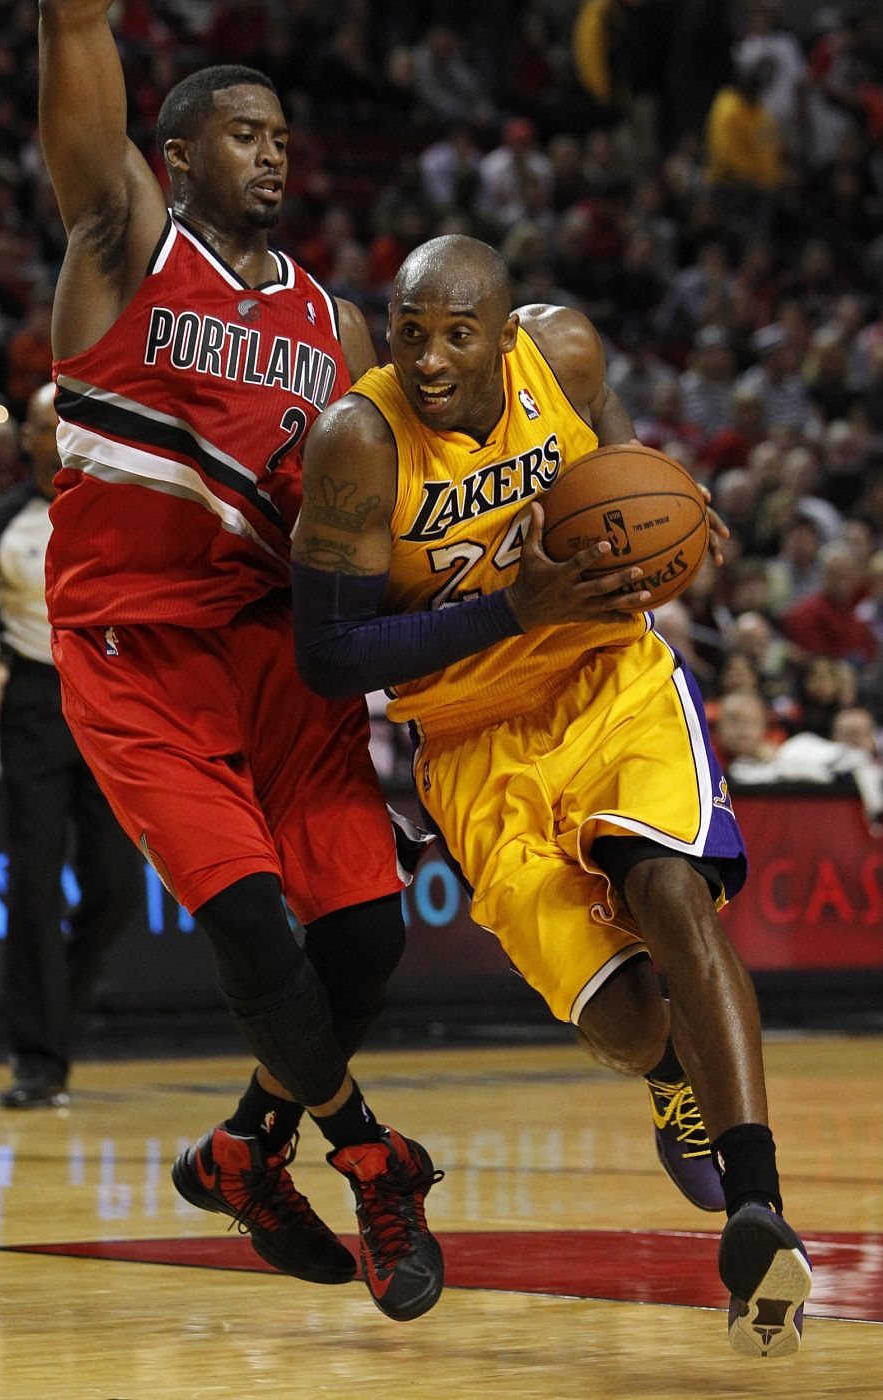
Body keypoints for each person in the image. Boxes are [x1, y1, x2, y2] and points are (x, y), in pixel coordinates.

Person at [290, 234, 813, 1359]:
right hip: (470, 735)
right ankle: (670, 1075)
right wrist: (510, 611)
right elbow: (328, 656)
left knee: (673, 898)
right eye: (410, 333)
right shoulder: (360, 443)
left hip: (605, 674)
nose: (430, 358)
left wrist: (668, 510)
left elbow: (615, 456)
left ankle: (760, 1207)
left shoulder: (564, 352)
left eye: (456, 335)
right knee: (623, 1020)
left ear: (503, 335)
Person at [38, 2, 442, 1322]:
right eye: (243, 133)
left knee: (368, 933)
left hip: (280, 646)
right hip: (138, 645)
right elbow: (75, 60)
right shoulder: (125, 243)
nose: (273, 153)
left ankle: (241, 1153)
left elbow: (385, 524)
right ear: (178, 153)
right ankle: (372, 1155)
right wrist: (72, 21)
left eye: (280, 135)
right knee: (253, 924)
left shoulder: (338, 327)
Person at [0, 384, 144, 1106]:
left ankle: (56, 1014)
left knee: (117, 882)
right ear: (25, 439)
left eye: (65, 423)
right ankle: (38, 1060)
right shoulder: (2, 523)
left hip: (109, 696)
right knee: (35, 880)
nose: (54, 437)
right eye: (43, 426)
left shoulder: (118, 507)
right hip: (34, 703)